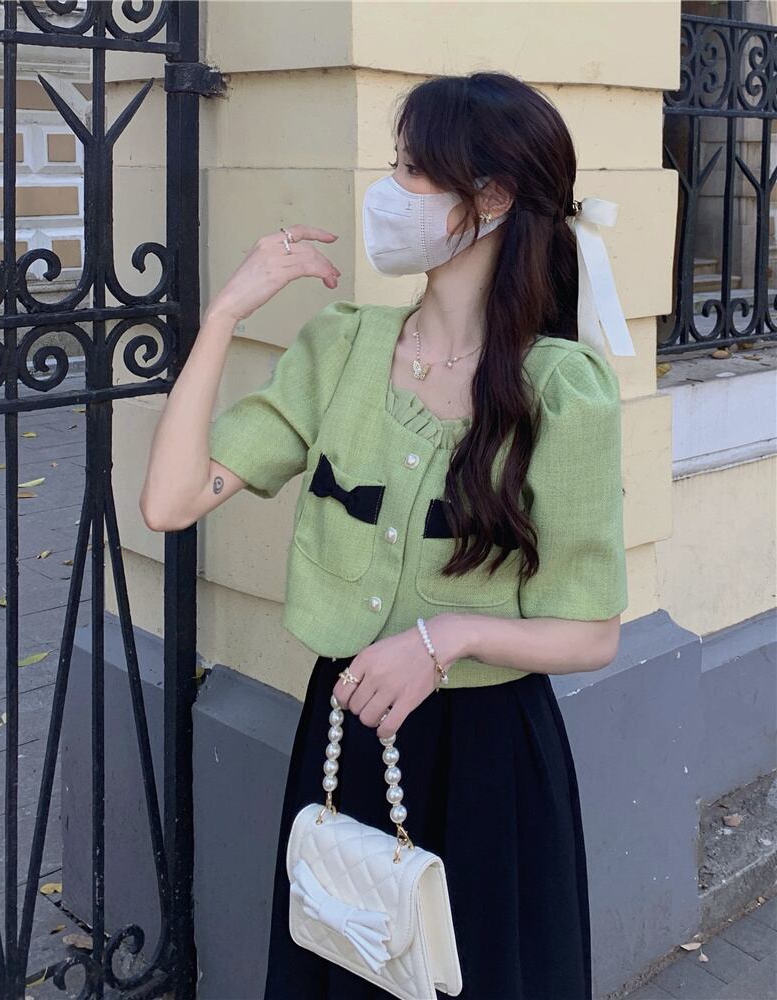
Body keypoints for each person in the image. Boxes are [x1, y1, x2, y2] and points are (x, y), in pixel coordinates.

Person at [140, 71, 633, 1000]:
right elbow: (169, 502)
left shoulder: (561, 390)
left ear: (490, 198)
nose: (387, 190)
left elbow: (593, 631)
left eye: (411, 170)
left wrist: (446, 638)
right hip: (349, 741)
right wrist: (224, 314)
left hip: (488, 766)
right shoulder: (343, 348)